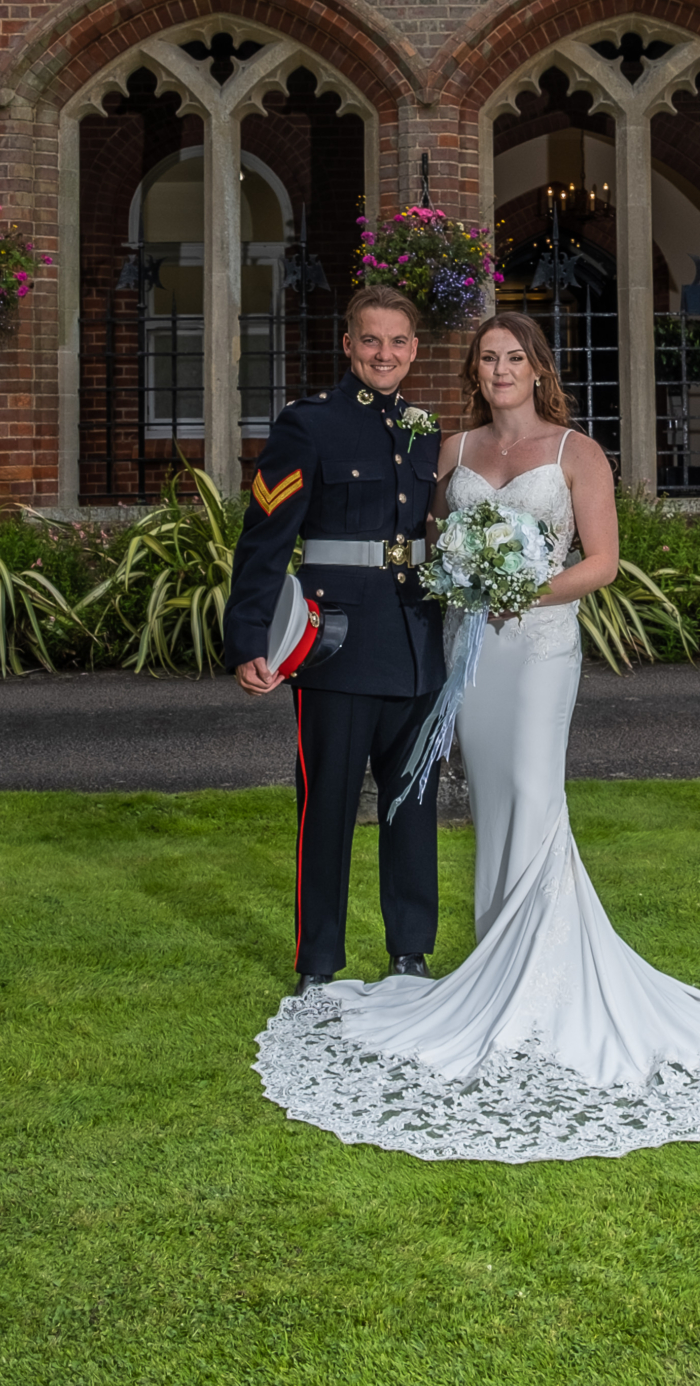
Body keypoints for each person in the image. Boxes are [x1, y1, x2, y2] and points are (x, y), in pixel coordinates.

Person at [254, 311, 700, 1161]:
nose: (500, 369)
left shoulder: (575, 452)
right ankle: (487, 963)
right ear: (474, 372)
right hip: (465, 650)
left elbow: (600, 562)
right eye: (487, 359)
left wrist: (524, 587)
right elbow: (419, 537)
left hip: (540, 645)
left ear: (537, 368)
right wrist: (459, 577)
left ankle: (535, 975)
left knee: (534, 793)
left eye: (514, 357)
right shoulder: (447, 450)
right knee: (483, 797)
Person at [223, 286, 444, 993]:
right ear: (347, 345)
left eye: (399, 342)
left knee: (412, 804)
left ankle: (410, 953)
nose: (385, 354)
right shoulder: (307, 426)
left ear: (414, 350)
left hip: (415, 642)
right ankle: (318, 962)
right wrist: (248, 637)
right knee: (327, 809)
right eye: (371, 341)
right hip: (337, 645)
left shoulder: (423, 429)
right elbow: (264, 539)